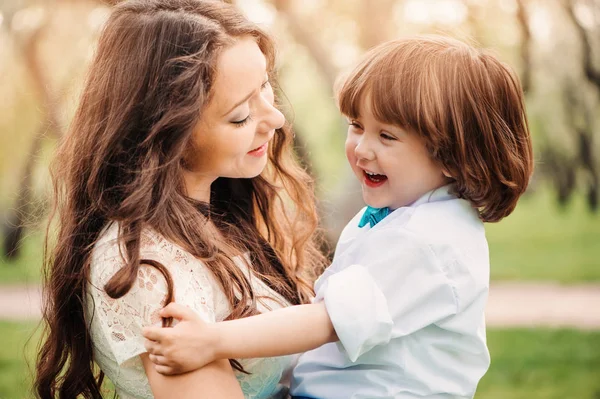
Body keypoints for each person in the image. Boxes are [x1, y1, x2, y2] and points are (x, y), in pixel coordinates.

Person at [142, 35, 535, 399]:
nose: (362, 149)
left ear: (452, 155)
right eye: (357, 126)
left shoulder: (426, 241)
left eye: (387, 136)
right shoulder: (404, 215)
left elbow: (325, 323)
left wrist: (213, 340)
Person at [33, 0, 328, 398]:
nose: (276, 120)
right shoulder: (148, 269)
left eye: (265, 85)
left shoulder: (218, 213)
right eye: (240, 115)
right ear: (167, 133)